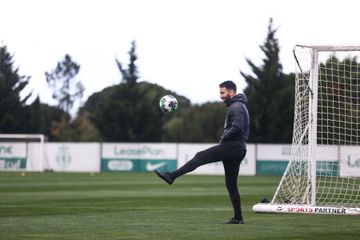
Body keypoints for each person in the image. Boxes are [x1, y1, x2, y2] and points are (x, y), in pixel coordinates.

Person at [155, 80, 250, 224]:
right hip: (238, 148)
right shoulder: (238, 105)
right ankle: (238, 218)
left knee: (200, 156)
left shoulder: (236, 106)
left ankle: (171, 176)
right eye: (220, 93)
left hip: (233, 147)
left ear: (232, 92)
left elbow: (238, 127)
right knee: (231, 185)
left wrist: (225, 137)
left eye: (223, 93)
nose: (221, 96)